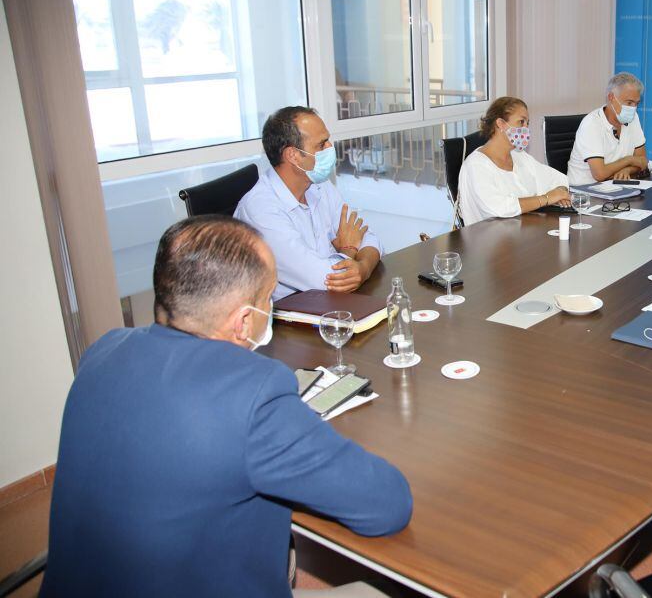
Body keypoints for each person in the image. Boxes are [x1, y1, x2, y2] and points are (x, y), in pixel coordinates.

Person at [42, 216, 412, 598]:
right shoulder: (253, 393)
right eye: (270, 296)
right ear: (244, 321)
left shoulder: (104, 350)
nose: (273, 307)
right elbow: (387, 505)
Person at [235, 106, 381, 300]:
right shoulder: (261, 211)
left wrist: (362, 268)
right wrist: (349, 251)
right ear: (293, 156)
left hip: (327, 305)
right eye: (321, 145)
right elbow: (326, 280)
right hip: (286, 317)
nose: (330, 148)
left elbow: (370, 239)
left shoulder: (318, 185)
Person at [457, 96, 572, 226]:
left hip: (522, 232)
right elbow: (500, 207)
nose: (526, 129)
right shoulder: (476, 165)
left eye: (527, 123)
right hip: (489, 240)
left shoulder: (518, 156)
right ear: (500, 124)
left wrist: (560, 193)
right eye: (521, 122)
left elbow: (558, 178)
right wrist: (546, 199)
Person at [566, 72, 649, 185]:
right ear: (611, 98)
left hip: (614, 186)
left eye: (636, 103)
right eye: (629, 102)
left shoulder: (633, 119)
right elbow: (600, 174)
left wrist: (627, 170)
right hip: (585, 193)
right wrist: (629, 160)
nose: (633, 108)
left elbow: (643, 161)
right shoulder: (591, 124)